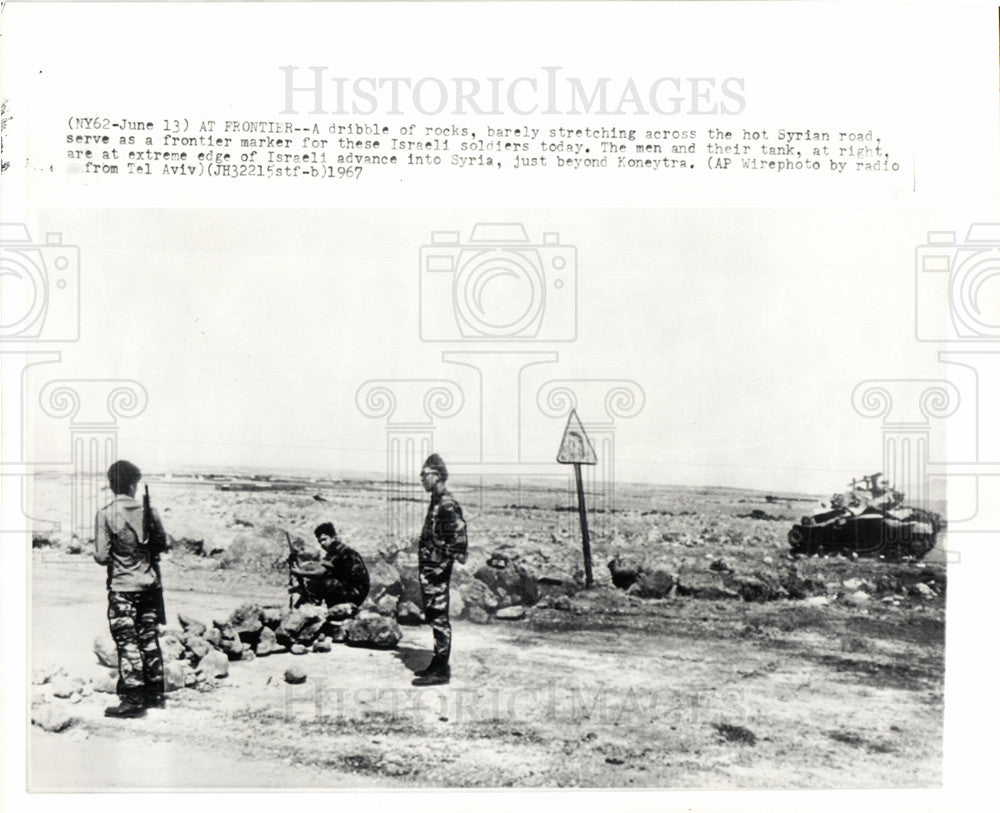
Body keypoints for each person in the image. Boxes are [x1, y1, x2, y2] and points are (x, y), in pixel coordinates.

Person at [93, 460, 168, 718]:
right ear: (134, 484)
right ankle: (155, 693)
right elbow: (161, 546)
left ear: (112, 484)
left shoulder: (106, 514)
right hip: (149, 585)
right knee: (148, 638)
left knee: (127, 642)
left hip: (123, 587)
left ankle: (133, 699)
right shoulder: (151, 512)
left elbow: (101, 556)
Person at [412, 453, 467, 686]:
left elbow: (458, 545)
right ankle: (437, 663)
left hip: (436, 572)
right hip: (430, 570)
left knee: (439, 618)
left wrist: (439, 569)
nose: (421, 479)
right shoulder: (436, 500)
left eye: (424, 475)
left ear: (437, 475)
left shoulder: (447, 504)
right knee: (434, 616)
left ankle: (441, 669)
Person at [290, 523, 369, 609]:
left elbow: (320, 573)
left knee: (321, 582)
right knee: (320, 579)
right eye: (320, 541)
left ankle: (309, 607)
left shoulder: (336, 549)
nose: (322, 543)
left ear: (333, 537)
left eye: (325, 539)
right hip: (358, 591)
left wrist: (299, 573)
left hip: (355, 592)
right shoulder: (342, 548)